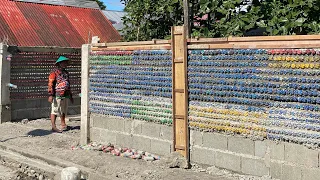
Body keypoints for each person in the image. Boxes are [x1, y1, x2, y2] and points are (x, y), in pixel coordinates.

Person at [48, 56, 73, 133]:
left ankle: (63, 124)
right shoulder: (54, 73)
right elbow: (50, 84)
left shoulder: (66, 72)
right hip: (57, 94)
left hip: (65, 94)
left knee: (64, 109)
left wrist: (70, 95)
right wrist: (51, 95)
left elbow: (68, 83)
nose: (65, 64)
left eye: (66, 63)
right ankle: (53, 126)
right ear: (59, 64)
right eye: (64, 62)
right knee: (55, 110)